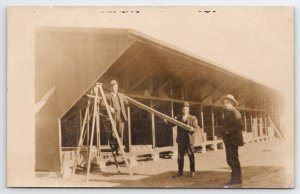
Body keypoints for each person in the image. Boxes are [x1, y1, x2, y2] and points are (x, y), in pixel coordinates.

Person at [166, 101, 199, 177]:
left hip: (189, 140)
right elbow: (172, 124)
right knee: (180, 157)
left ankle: (192, 171)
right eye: (183, 109)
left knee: (191, 155)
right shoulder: (178, 117)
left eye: (186, 109)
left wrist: (192, 129)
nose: (184, 110)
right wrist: (167, 121)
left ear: (188, 110)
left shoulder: (192, 118)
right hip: (181, 140)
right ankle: (180, 172)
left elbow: (196, 127)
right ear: (182, 110)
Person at [220, 94, 244, 186]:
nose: (225, 104)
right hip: (228, 140)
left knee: (233, 159)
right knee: (229, 160)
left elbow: (240, 126)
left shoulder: (235, 112)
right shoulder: (227, 113)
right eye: (224, 103)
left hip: (234, 140)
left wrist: (227, 131)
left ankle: (237, 179)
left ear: (232, 104)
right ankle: (234, 178)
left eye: (227, 103)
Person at [105, 80, 128, 145]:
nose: (116, 88)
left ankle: (119, 148)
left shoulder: (121, 95)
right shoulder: (107, 95)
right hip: (113, 115)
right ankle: (114, 148)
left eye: (117, 87)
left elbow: (127, 102)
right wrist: (109, 106)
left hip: (121, 115)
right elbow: (102, 103)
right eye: (115, 87)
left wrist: (127, 102)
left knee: (121, 132)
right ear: (111, 88)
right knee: (113, 132)